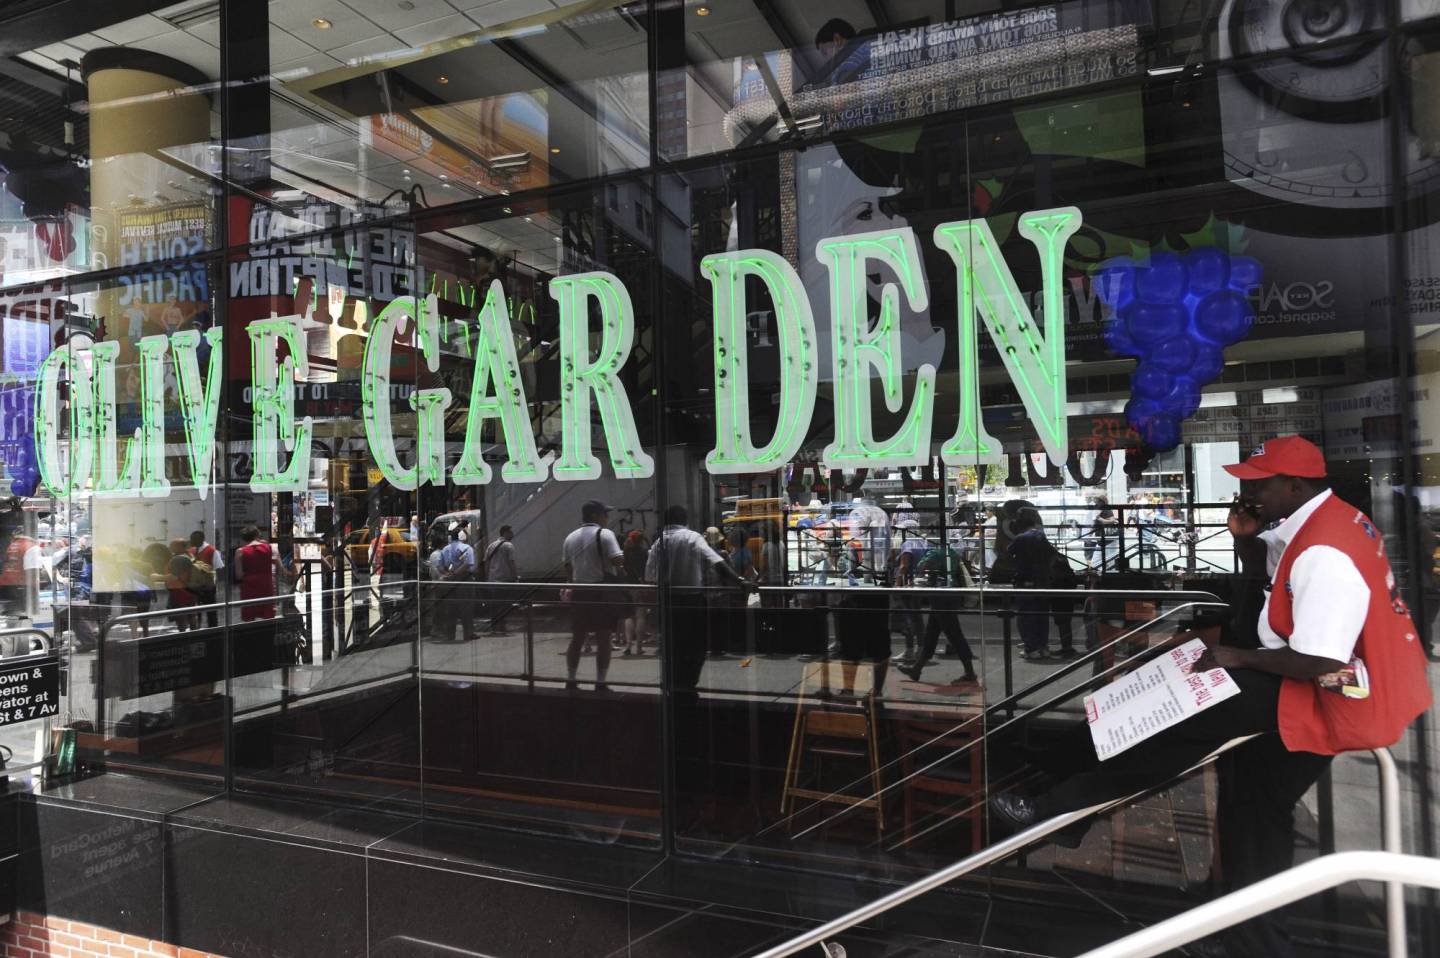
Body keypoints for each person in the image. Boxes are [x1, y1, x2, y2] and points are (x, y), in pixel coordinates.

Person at [990, 436, 1431, 957]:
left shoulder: (1325, 548)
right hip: (1321, 684)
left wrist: (1239, 659)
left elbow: (1321, 658)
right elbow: (1269, 590)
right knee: (1253, 808)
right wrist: (1244, 540)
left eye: (1258, 482)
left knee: (1181, 720)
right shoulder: (1311, 524)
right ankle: (1248, 930)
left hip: (1333, 692)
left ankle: (1060, 804)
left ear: (1294, 484)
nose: (1248, 490)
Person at [645, 505, 753, 692]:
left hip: (668, 600)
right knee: (696, 644)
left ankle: (672, 682)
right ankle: (688, 683)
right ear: (684, 519)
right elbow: (716, 561)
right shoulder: (691, 537)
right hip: (692, 600)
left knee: (673, 644)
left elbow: (649, 575)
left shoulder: (658, 542)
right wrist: (740, 581)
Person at [562, 500, 625, 691]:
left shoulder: (570, 537)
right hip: (600, 592)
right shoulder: (606, 534)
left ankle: (571, 679)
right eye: (605, 514)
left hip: (579, 592)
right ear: (596, 516)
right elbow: (617, 560)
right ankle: (600, 682)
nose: (607, 518)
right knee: (604, 638)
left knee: (578, 638)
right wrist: (622, 557)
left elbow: (567, 567)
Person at [898, 539, 978, 685]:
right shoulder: (952, 553)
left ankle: (970, 672)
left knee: (954, 634)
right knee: (931, 633)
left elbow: (922, 566)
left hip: (940, 596)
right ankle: (916, 669)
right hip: (951, 595)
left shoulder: (935, 553)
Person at [1007, 509, 1056, 661]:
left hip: (1025, 581)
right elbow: (1052, 554)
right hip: (1043, 581)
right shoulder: (1041, 536)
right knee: (1042, 615)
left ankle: (1031, 648)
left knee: (1025, 616)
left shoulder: (1021, 538)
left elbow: (1008, 554)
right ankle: (1043, 647)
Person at [433, 522, 476, 643]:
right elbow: (468, 564)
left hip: (449, 582)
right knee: (466, 608)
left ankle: (450, 635)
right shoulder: (467, 548)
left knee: (451, 609)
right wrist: (457, 572)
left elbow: (439, 566)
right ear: (462, 537)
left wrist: (447, 574)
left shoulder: (445, 549)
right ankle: (468, 634)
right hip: (465, 580)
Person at [234, 525, 282, 622]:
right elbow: (278, 569)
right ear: (257, 534)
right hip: (266, 584)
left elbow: (238, 575)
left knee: (249, 617)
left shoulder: (240, 552)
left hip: (249, 586)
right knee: (268, 617)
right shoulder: (270, 548)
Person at [482, 525, 519, 633]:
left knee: (495, 604)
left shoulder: (491, 546)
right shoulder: (508, 546)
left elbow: (486, 563)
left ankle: (494, 626)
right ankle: (502, 626)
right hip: (504, 580)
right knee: (504, 604)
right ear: (505, 533)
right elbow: (512, 563)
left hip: (492, 580)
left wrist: (487, 578)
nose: (512, 534)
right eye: (511, 532)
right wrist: (515, 576)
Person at [621, 529, 651, 656]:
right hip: (640, 585)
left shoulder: (625, 553)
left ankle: (628, 645)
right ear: (641, 540)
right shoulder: (644, 553)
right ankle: (639, 647)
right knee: (640, 616)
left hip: (628, 586)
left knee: (629, 616)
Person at [187, 530, 224, 628]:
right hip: (194, 586)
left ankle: (213, 630)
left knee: (211, 612)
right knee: (195, 612)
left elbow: (218, 567)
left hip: (208, 586)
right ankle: (196, 629)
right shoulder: (191, 551)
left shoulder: (212, 550)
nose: (191, 541)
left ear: (201, 539)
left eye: (193, 540)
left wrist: (213, 583)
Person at [1084, 495, 1118, 570]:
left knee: (1103, 560)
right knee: (1107, 559)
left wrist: (1102, 520)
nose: (1096, 503)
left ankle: (1105, 575)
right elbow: (1095, 524)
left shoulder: (1104, 509)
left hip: (1108, 538)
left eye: (1097, 501)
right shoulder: (1102, 509)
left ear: (1101, 502)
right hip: (1105, 538)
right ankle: (1106, 574)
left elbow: (1111, 520)